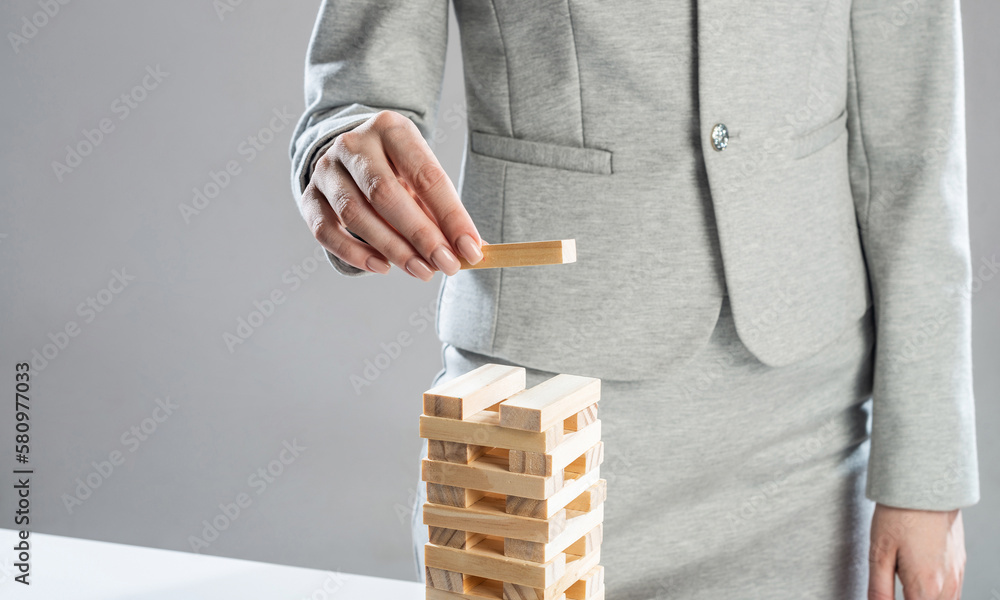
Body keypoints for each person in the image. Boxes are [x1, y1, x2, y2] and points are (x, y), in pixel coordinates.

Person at [289, 1, 980, 598]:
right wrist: (338, 153)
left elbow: (914, 159)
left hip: (810, 449)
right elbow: (354, 99)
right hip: (540, 431)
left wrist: (927, 472)